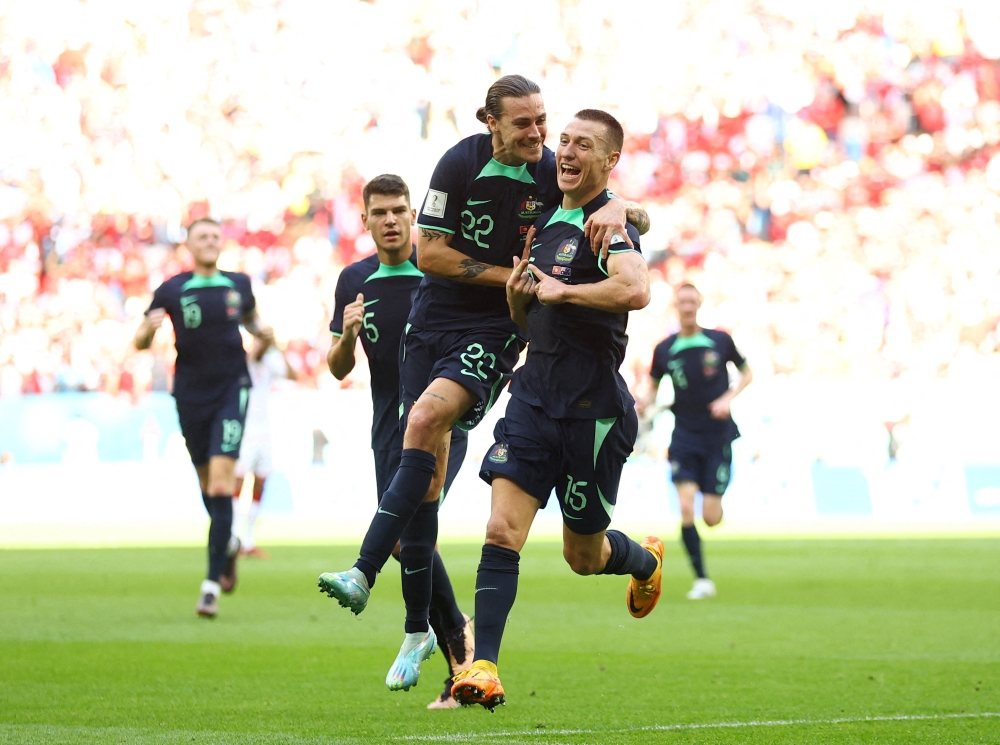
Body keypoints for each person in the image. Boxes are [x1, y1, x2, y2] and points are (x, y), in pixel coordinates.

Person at [317, 75, 650, 694]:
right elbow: (439, 258)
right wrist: (520, 286)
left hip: (547, 373)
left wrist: (614, 211)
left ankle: (377, 583)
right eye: (528, 124)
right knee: (464, 517)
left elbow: (630, 252)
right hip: (486, 360)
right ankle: (464, 658)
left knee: (579, 551)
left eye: (547, 124)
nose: (545, 139)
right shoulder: (467, 167)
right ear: (489, 122)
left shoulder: (570, 190)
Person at [451, 109, 662, 711]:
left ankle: (643, 559)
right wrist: (521, 302)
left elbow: (636, 288)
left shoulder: (608, 226)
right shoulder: (545, 218)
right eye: (563, 140)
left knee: (583, 556)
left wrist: (565, 289)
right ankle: (482, 666)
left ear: (609, 161)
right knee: (501, 530)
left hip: (592, 412)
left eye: (583, 144)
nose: (565, 151)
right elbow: (532, 315)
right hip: (532, 400)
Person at [325, 174, 475, 709]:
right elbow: (339, 366)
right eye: (379, 213)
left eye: (399, 211)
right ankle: (454, 633)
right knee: (404, 540)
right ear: (364, 220)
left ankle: (455, 649)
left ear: (414, 215)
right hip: (386, 426)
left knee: (411, 533)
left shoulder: (438, 269)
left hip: (439, 426)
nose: (390, 220)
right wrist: (346, 336)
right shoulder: (355, 280)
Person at [135, 217, 273, 618]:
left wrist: (264, 334)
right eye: (203, 237)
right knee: (205, 482)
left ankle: (210, 585)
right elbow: (141, 341)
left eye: (216, 236)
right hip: (191, 394)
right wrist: (148, 328)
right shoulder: (172, 288)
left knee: (220, 480)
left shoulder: (239, 284)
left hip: (233, 388)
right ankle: (228, 541)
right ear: (189, 246)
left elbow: (251, 322)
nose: (211, 241)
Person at [648, 284, 752, 599]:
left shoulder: (719, 340)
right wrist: (645, 406)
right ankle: (702, 580)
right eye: (682, 301)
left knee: (711, 517)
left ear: (700, 303)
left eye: (692, 301)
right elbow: (651, 390)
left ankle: (716, 497)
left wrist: (727, 398)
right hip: (683, 436)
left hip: (717, 435)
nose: (688, 306)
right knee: (685, 509)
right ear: (676, 305)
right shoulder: (664, 349)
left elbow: (747, 373)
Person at [232, 335, 296, 560]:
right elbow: (254, 354)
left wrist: (278, 348)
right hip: (246, 431)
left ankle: (248, 540)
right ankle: (233, 538)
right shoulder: (246, 362)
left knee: (260, 483)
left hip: (265, 433)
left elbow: (292, 375)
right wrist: (265, 342)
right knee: (239, 482)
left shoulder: (270, 364)